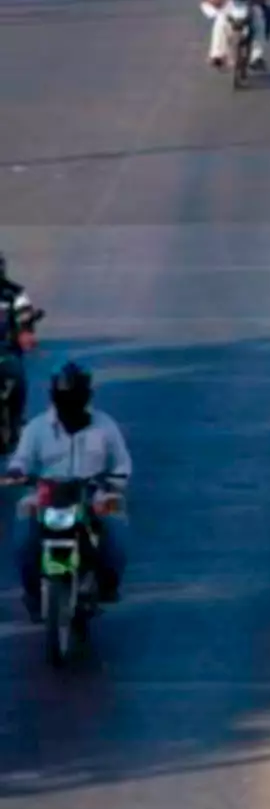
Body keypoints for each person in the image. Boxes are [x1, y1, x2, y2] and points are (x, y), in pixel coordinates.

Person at [8, 363, 131, 622]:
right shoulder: (37, 428)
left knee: (116, 523)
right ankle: (32, 589)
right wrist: (18, 472)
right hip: (46, 494)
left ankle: (108, 582)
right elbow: (21, 460)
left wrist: (112, 484)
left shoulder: (104, 426)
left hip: (93, 492)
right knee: (22, 531)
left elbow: (122, 464)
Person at [0, 255, 37, 439]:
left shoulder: (15, 293)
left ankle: (16, 419)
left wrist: (25, 333)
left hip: (7, 351)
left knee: (18, 379)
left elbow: (25, 316)